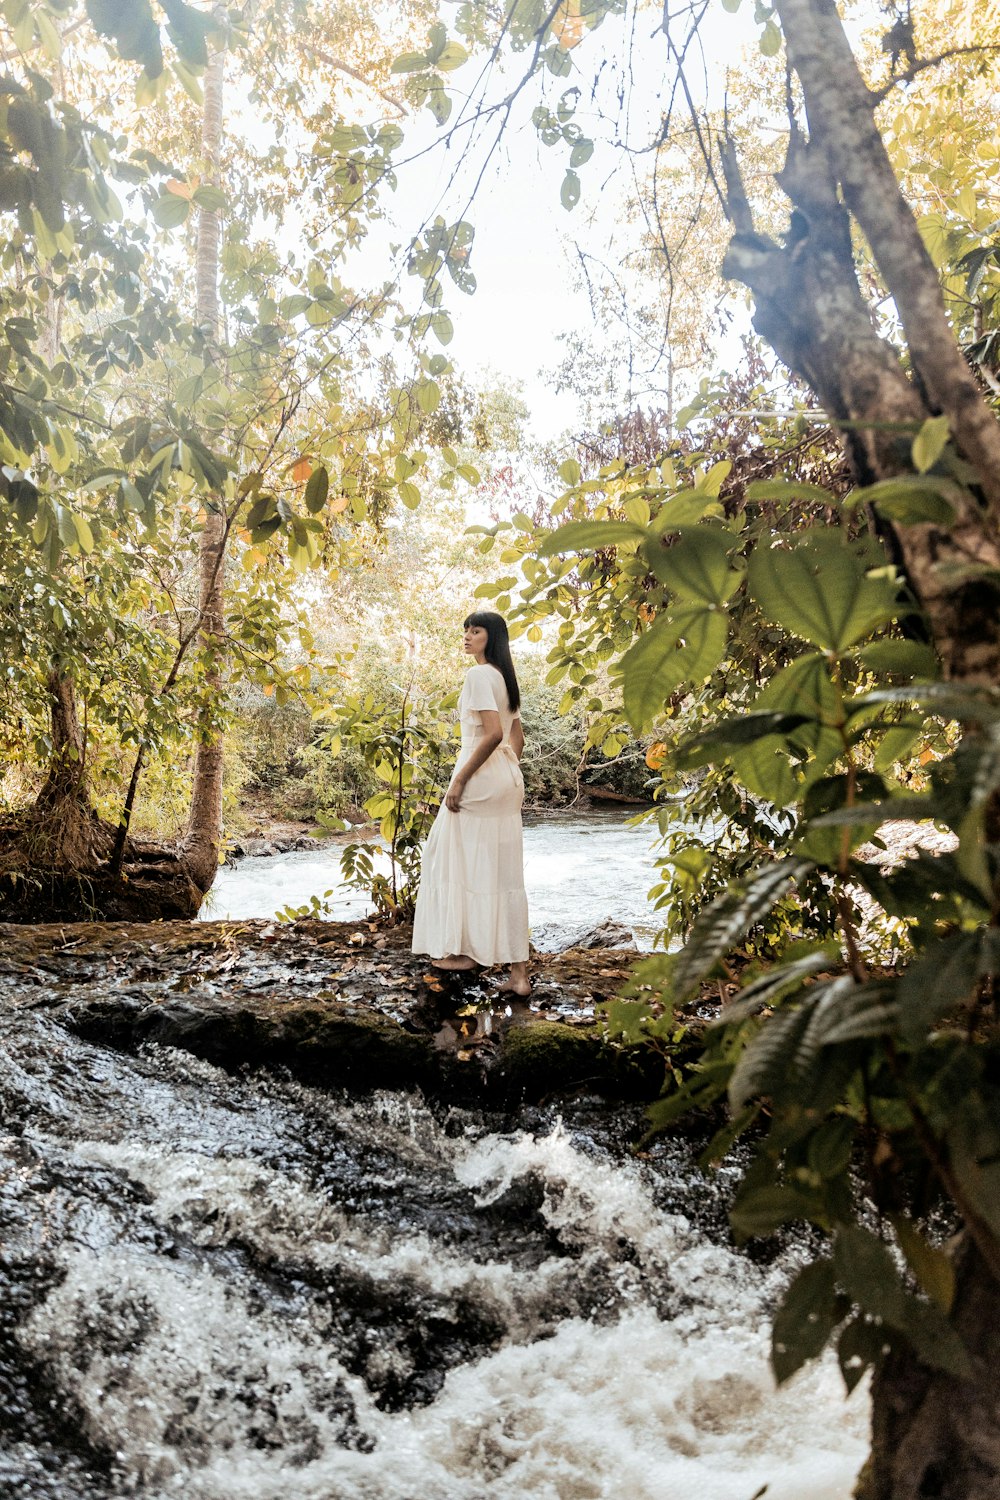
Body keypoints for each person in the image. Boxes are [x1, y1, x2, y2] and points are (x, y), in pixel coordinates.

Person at [411, 610, 530, 995]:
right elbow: (517, 740)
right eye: (465, 629)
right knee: (502, 869)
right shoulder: (504, 677)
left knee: (446, 856)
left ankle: (470, 953)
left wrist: (460, 779)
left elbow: (493, 733)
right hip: (507, 778)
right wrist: (504, 771)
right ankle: (518, 975)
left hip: (479, 778)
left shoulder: (479, 675)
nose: (466, 635)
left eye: (475, 631)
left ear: (490, 637)